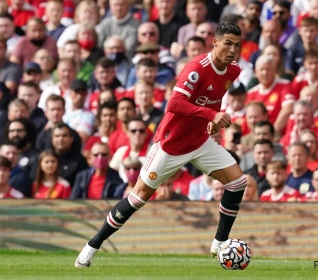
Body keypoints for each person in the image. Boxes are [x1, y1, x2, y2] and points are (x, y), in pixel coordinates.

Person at [75, 22, 247, 266]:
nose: (232, 50)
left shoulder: (233, 70)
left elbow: (215, 97)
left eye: (237, 45)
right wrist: (210, 115)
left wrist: (213, 121)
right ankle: (91, 247)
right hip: (171, 144)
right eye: (228, 43)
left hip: (199, 140)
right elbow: (174, 104)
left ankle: (220, 243)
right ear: (215, 42)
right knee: (138, 198)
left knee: (238, 183)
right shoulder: (196, 68)